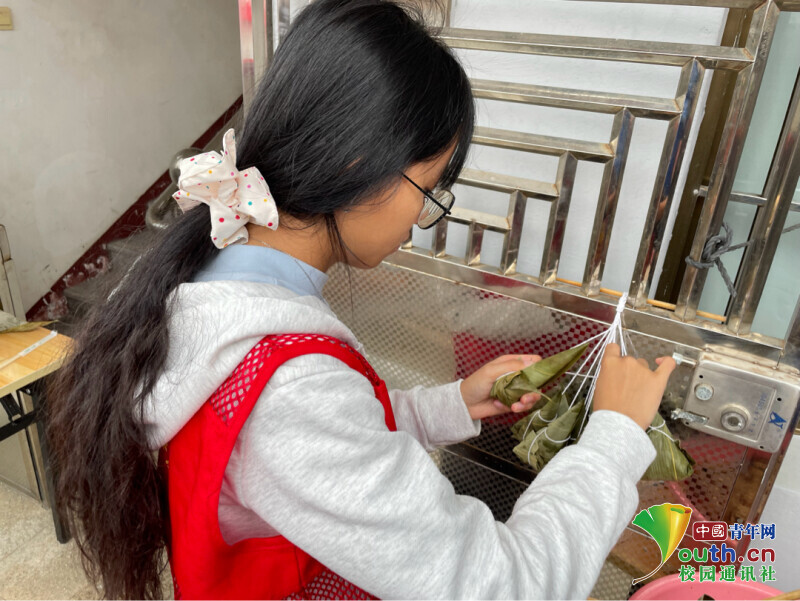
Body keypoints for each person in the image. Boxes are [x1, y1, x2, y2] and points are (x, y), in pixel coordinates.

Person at [46, 0, 676, 599]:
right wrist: (615, 437)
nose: (421, 220)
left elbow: (325, 442)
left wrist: (450, 405)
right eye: (428, 190)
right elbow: (503, 586)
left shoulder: (219, 276)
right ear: (356, 162)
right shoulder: (288, 382)